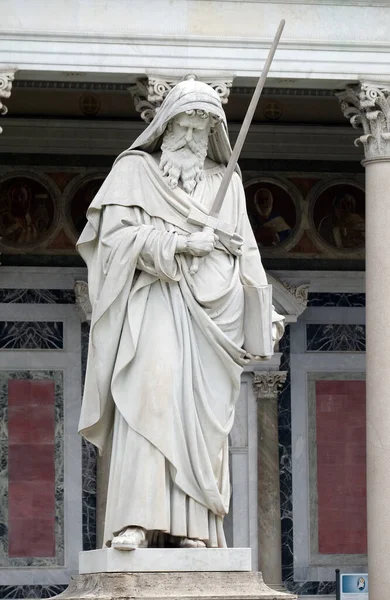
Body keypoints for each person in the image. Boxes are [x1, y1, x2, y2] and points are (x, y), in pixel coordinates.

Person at [77, 78, 283, 552]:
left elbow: (246, 253)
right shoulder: (134, 171)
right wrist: (177, 243)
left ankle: (194, 526)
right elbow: (113, 242)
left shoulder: (225, 183)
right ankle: (134, 519)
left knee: (197, 417)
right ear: (165, 124)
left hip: (210, 317)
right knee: (150, 395)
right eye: (184, 128)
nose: (191, 140)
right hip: (153, 304)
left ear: (215, 132)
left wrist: (263, 308)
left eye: (201, 130)